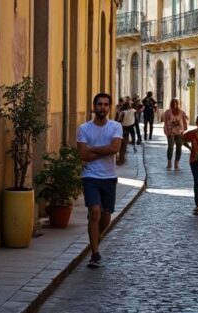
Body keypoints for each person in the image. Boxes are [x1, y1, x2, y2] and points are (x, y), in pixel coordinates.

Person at [76, 93, 123, 269]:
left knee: (106, 216)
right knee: (94, 212)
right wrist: (103, 151)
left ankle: (94, 238)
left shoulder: (116, 127)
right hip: (90, 177)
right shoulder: (84, 128)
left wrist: (93, 149)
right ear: (94, 106)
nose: (102, 107)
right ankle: (95, 253)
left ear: (109, 107)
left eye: (105, 104)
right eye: (99, 104)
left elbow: (115, 148)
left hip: (109, 177)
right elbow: (82, 155)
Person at [162, 99, 188, 170]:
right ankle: (169, 162)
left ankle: (176, 163)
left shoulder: (181, 112)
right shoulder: (167, 112)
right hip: (170, 132)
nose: (174, 105)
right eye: (173, 103)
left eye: (176, 103)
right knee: (170, 147)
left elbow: (185, 120)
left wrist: (184, 129)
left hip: (179, 132)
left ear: (178, 104)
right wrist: (166, 131)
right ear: (171, 104)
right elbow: (165, 122)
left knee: (179, 147)